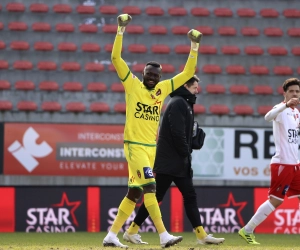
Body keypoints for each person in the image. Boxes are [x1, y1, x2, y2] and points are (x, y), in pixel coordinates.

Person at [102, 14, 202, 248]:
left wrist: (194, 46)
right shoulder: (132, 84)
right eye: (149, 74)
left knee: (134, 193)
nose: (152, 79)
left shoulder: (163, 89)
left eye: (156, 76)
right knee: (150, 187)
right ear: (143, 73)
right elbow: (115, 58)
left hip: (150, 149)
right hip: (134, 145)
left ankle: (111, 235)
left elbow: (188, 73)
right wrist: (120, 30)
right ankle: (163, 235)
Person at [122, 75, 225, 246]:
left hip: (177, 161)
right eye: (194, 87)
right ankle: (131, 231)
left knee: (186, 195)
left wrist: (193, 141)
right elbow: (177, 133)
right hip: (170, 162)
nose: (197, 90)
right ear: (185, 86)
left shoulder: (184, 104)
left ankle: (201, 235)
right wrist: (186, 151)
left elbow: (183, 134)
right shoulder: (178, 103)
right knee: (158, 196)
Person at [239, 78, 300, 244]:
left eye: (297, 91)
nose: (295, 94)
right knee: (276, 200)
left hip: (295, 164)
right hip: (282, 163)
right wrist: (285, 105)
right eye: (291, 91)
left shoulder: (296, 113)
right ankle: (247, 230)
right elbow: (267, 117)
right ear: (285, 93)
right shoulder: (280, 109)